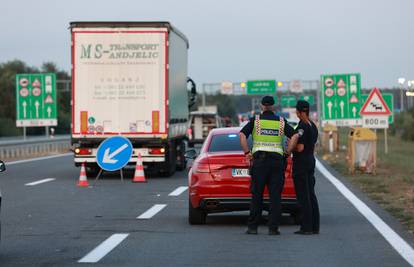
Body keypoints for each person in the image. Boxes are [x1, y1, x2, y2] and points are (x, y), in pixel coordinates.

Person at [240, 96, 295, 235]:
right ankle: (273, 228)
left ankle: (253, 228)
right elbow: (295, 136)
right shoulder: (281, 122)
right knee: (275, 196)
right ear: (273, 106)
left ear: (262, 106)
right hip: (277, 162)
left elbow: (241, 135)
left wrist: (247, 152)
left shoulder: (256, 121)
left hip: (260, 162)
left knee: (257, 195)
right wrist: (287, 152)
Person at [286, 100, 320, 235]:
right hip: (311, 160)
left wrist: (290, 147)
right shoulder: (313, 126)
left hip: (301, 162)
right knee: (311, 194)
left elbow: (300, 147)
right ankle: (314, 226)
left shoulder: (301, 127)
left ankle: (306, 227)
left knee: (303, 196)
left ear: (299, 112)